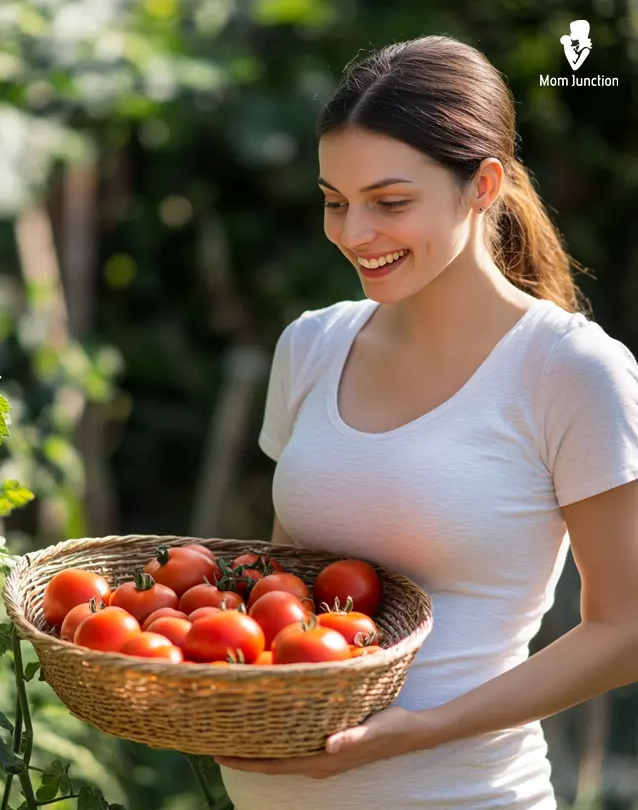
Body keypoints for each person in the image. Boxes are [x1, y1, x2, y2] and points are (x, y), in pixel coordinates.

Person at [215, 34, 638, 809]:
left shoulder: (569, 370)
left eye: (390, 202)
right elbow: (286, 590)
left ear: (482, 186)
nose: (351, 234)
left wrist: (425, 728)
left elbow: (629, 629)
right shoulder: (311, 345)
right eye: (334, 202)